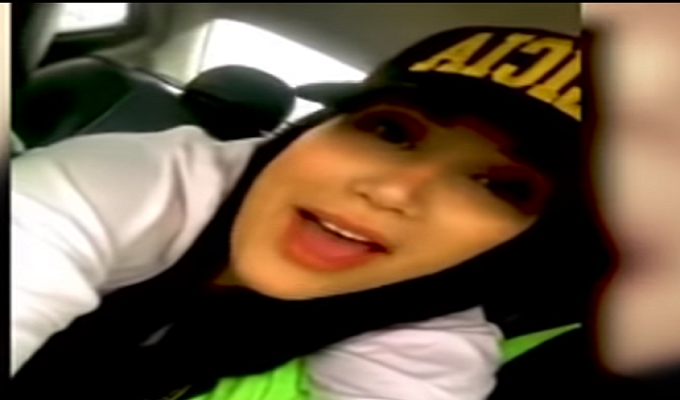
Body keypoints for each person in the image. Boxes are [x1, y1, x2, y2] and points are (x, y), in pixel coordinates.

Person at [11, 26, 584, 400]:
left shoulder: (429, 332)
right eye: (390, 131)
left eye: (500, 186)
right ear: (313, 128)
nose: (392, 192)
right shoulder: (125, 182)